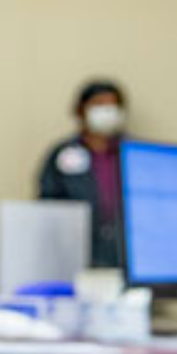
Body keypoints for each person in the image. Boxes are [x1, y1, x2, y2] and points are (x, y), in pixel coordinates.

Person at [38, 79, 128, 268]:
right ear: (81, 109)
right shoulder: (63, 154)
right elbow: (47, 206)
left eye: (112, 105)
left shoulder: (131, 153)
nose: (106, 111)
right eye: (99, 104)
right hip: (75, 257)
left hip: (124, 257)